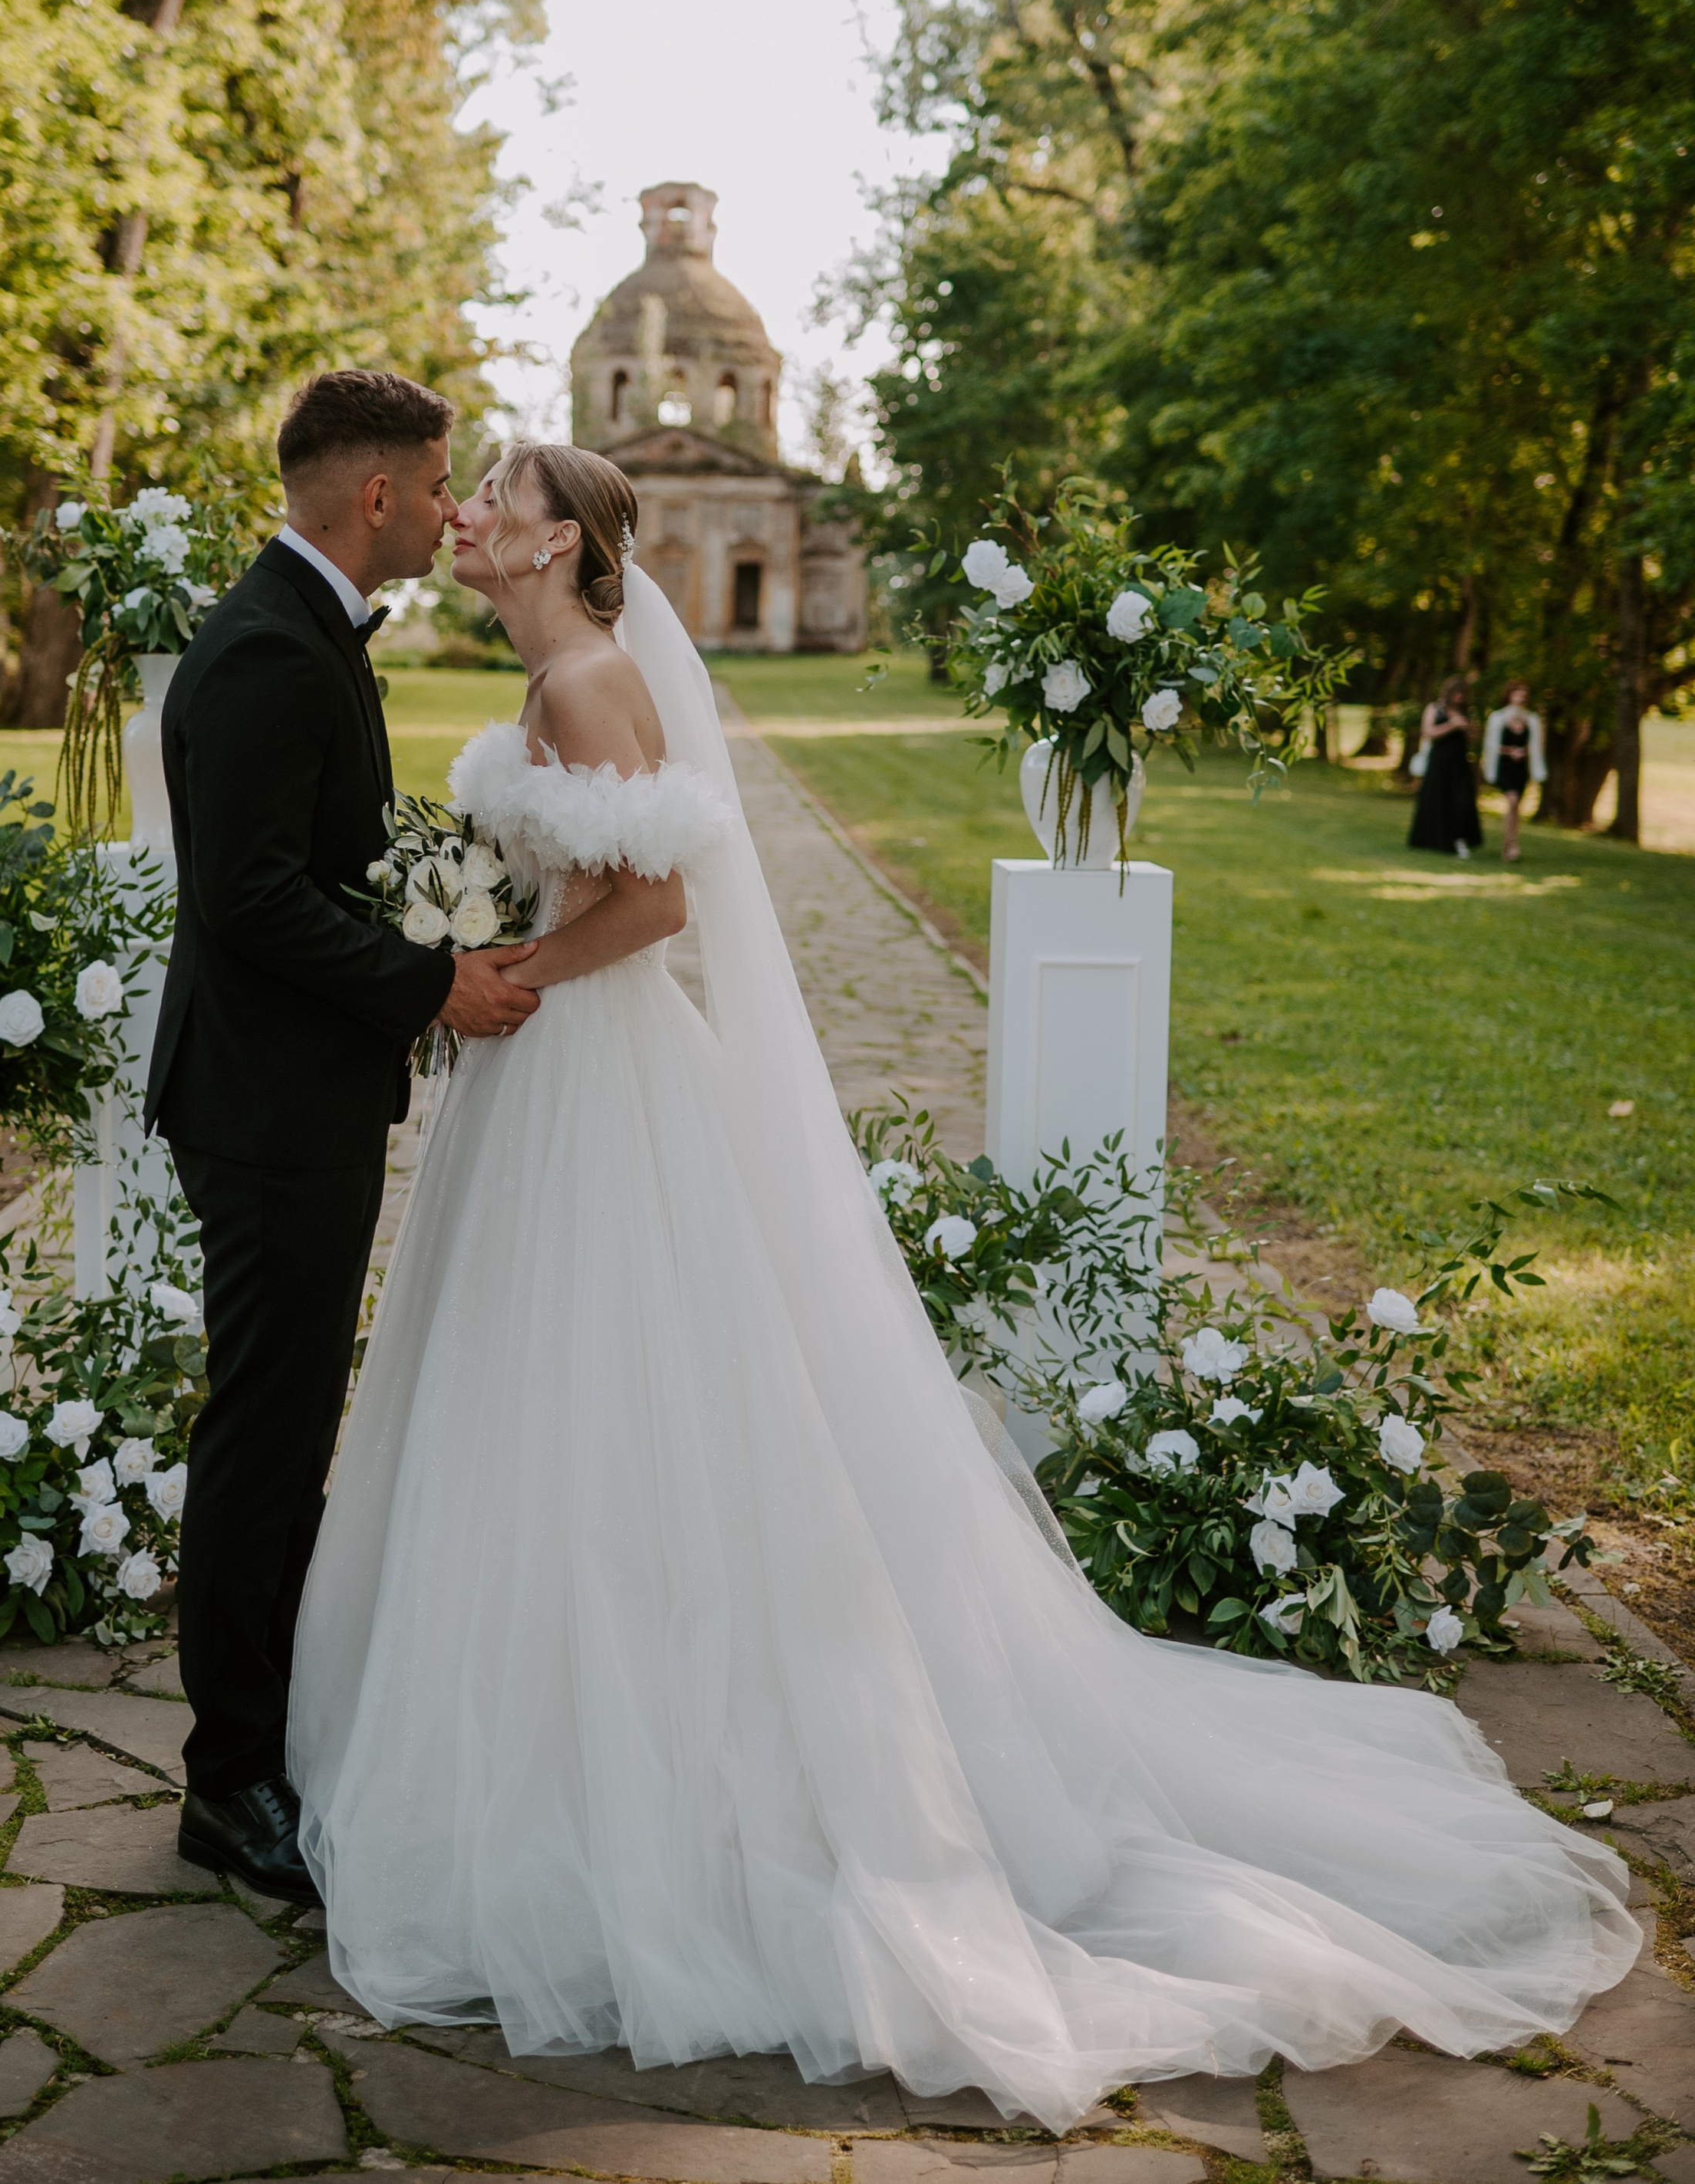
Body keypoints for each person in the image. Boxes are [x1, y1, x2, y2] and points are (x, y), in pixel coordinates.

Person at [288, 440, 1634, 2136]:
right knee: (543, 1399)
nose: (462, 515)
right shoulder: (556, 672)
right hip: (552, 1075)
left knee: (602, 1388)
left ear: (557, 537)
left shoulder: (590, 683)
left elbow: (661, 903)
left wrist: (504, 970)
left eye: (487, 496)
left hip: (588, 1066)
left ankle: (626, 1771)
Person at [146, 370, 543, 1903]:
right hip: (261, 1103)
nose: (454, 514)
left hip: (286, 1090)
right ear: (375, 493)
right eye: (441, 486)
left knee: (286, 1415)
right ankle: (228, 1778)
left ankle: (272, 1733)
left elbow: (314, 855)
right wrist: (428, 977)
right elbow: (242, 897)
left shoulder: (299, 627)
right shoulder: (263, 647)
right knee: (263, 1429)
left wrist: (429, 914)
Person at [1407, 676, 1483, 856]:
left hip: (1459, 764)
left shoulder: (1467, 712)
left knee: (1463, 801)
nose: (1459, 698)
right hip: (1439, 763)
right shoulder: (1435, 708)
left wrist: (1469, 729)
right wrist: (1452, 725)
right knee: (1437, 799)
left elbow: (1472, 740)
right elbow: (1428, 732)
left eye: (1463, 694)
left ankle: (1460, 838)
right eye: (1457, 693)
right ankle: (1434, 840)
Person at [1482, 681, 1546, 865]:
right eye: (1517, 693)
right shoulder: (1498, 718)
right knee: (1512, 800)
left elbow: (1536, 747)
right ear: (1509, 695)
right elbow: (1491, 746)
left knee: (1516, 807)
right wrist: (1510, 752)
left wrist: (1524, 753)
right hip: (1505, 766)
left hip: (1521, 769)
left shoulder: (1532, 720)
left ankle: (1510, 844)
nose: (1521, 697)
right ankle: (1511, 844)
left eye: (1523, 694)